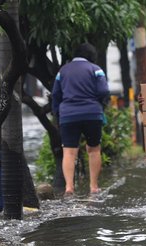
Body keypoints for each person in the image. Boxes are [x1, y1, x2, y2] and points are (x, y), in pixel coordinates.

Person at [51, 42, 109, 197]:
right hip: (92, 114)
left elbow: (55, 94)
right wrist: (97, 103)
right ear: (91, 55)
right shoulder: (96, 69)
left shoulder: (62, 71)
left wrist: (58, 113)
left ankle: (69, 188)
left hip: (68, 115)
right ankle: (94, 187)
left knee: (69, 152)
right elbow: (104, 90)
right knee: (94, 149)